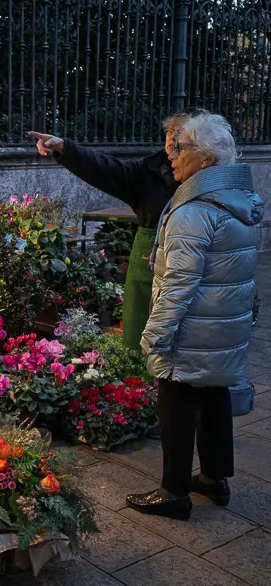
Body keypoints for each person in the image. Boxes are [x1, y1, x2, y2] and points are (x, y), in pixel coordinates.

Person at [126, 113, 263, 520]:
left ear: (205, 159)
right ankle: (214, 479)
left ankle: (173, 492)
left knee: (176, 404)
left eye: (181, 147)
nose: (172, 156)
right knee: (215, 393)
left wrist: (156, 334)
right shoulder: (240, 203)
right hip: (221, 328)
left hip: (192, 330)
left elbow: (178, 284)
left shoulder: (194, 210)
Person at [28, 108, 207, 352]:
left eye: (180, 137)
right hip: (148, 269)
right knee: (140, 342)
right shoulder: (146, 172)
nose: (172, 141)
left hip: (193, 274)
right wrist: (64, 148)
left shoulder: (209, 178)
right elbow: (105, 168)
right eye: (169, 134)